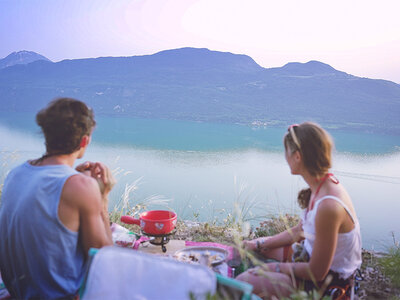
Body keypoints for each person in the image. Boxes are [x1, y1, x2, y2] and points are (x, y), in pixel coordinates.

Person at [0, 98, 115, 299]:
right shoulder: (80, 186)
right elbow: (105, 261)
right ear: (84, 141)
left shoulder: (16, 174)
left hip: (18, 292)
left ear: (47, 135)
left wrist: (73, 177)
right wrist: (102, 196)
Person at [237, 122, 362, 299]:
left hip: (327, 284)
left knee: (244, 281)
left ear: (297, 156)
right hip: (308, 258)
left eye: (286, 151)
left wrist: (275, 268)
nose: (285, 157)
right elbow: (299, 231)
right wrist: (257, 245)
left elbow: (317, 272)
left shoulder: (329, 205)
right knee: (255, 250)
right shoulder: (321, 186)